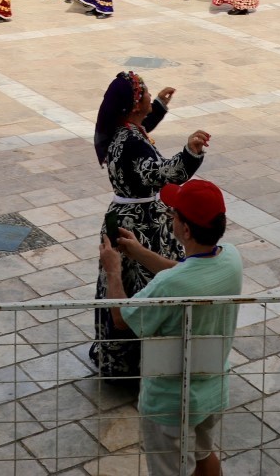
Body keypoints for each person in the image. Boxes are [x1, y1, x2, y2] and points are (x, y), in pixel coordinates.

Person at [98, 178, 241, 476]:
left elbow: (122, 317)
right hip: (212, 388)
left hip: (170, 402)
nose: (170, 215)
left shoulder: (169, 284)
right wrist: (138, 252)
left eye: (174, 213)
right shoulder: (230, 258)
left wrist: (113, 269)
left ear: (185, 229)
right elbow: (188, 271)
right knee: (204, 456)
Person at [89, 72, 205, 379]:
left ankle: (119, 354)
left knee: (118, 279)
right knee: (145, 284)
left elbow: (140, 133)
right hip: (141, 225)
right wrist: (191, 152)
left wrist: (158, 107)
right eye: (145, 95)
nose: (149, 96)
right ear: (132, 106)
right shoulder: (131, 144)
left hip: (123, 214)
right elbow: (166, 173)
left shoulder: (120, 130)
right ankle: (140, 362)